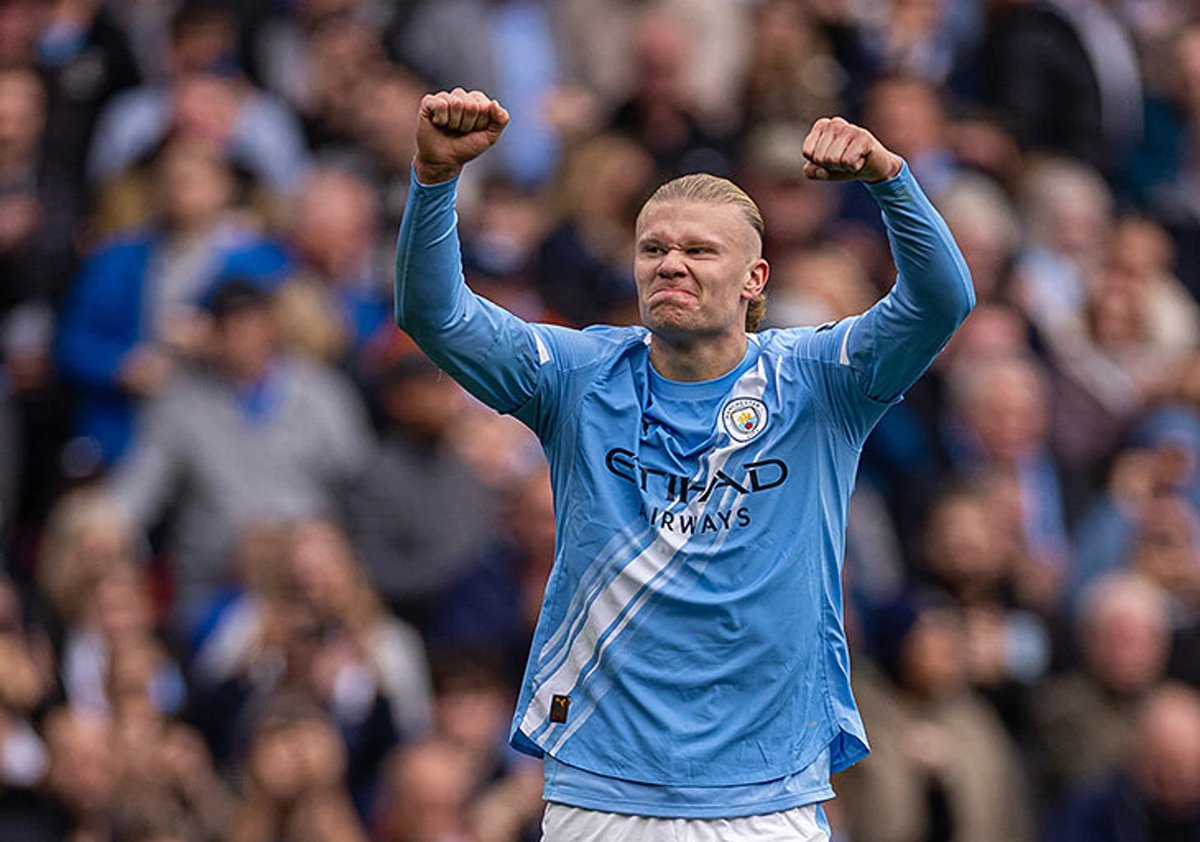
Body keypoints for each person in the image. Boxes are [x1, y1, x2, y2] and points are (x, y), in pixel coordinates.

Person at [394, 88, 973, 838]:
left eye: (699, 251)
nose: (671, 264)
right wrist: (434, 179)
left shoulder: (821, 379)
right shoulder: (577, 376)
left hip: (768, 797)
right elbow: (433, 314)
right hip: (601, 790)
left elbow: (942, 303)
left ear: (754, 279)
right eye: (653, 248)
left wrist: (889, 179)